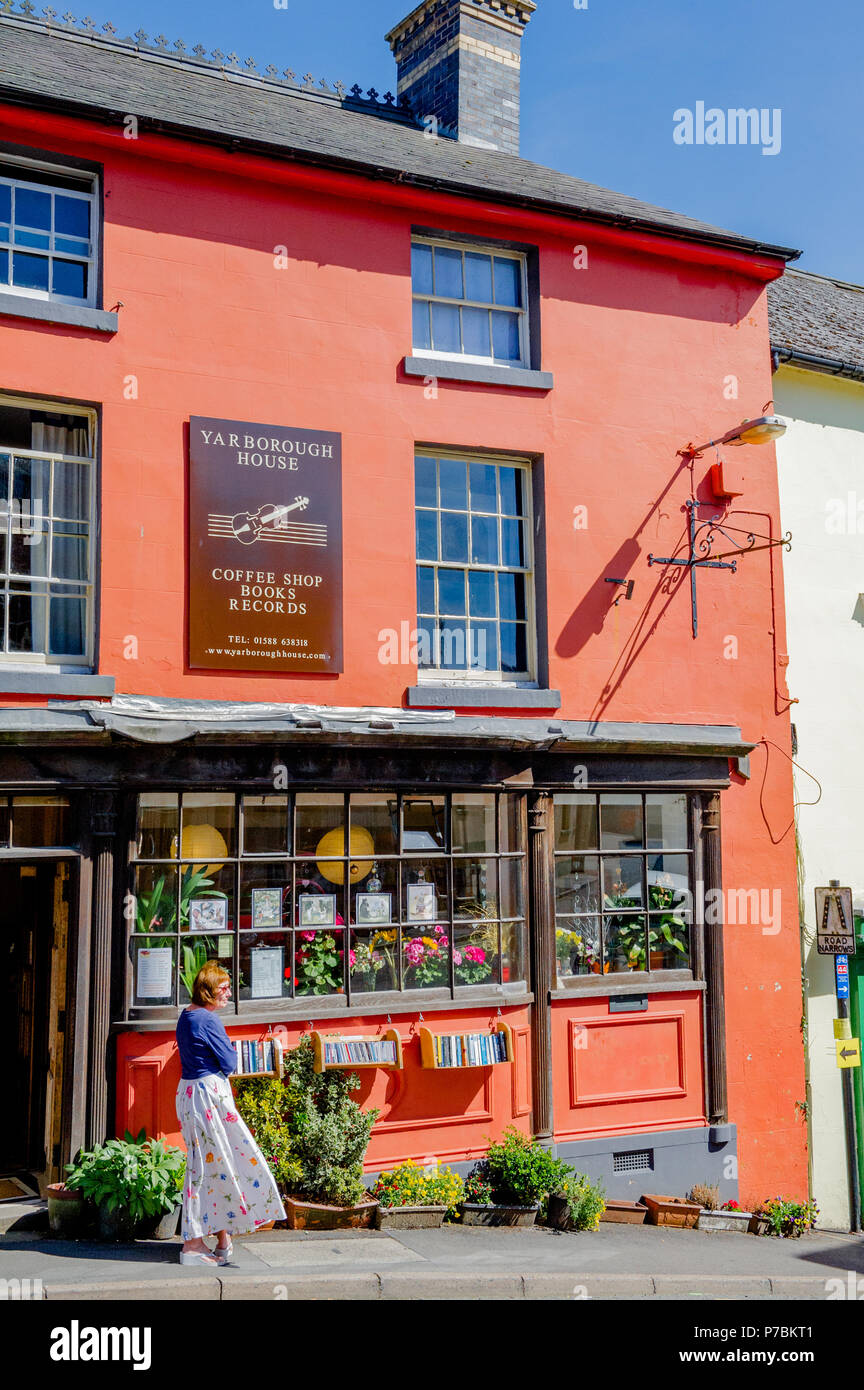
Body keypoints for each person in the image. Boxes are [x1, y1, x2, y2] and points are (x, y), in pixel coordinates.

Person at [175, 961, 286, 1265]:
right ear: (207, 991)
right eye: (222, 988)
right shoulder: (208, 1021)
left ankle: (223, 1238)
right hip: (208, 1097)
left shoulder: (186, 1016)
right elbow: (230, 1062)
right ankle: (193, 1245)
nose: (228, 993)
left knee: (218, 1163)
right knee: (209, 1166)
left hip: (191, 1093)